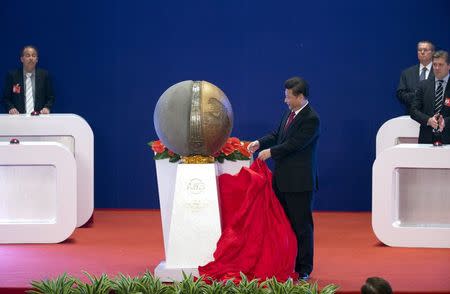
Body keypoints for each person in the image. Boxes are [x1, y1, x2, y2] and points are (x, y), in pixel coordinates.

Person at [247, 76, 320, 280]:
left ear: (301, 96)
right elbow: (277, 134)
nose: (285, 100)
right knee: (284, 225)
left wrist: (271, 152)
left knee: (302, 226)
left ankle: (304, 268)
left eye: (288, 97)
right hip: (282, 181)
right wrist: (259, 143)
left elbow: (295, 144)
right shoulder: (289, 114)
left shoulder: (311, 119)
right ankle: (286, 264)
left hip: (299, 184)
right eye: (285, 96)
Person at [410, 50, 450, 144]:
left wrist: (445, 122)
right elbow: (413, 110)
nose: (437, 68)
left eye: (440, 65)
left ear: (449, 66)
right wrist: (428, 120)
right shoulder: (423, 85)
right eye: (434, 64)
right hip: (426, 139)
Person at [3, 45, 55, 114]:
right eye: (28, 55)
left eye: (33, 56)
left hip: (39, 117)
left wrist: (47, 107)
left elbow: (50, 97)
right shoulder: (12, 75)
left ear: (37, 60)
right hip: (18, 117)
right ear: (22, 59)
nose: (31, 58)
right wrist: (11, 108)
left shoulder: (45, 75)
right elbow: (6, 98)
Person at [397, 41, 435, 114]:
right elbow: (400, 95)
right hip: (411, 116)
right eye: (419, 50)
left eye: (425, 50)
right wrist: (418, 95)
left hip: (433, 117)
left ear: (433, 53)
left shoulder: (440, 72)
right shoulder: (407, 73)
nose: (422, 52)